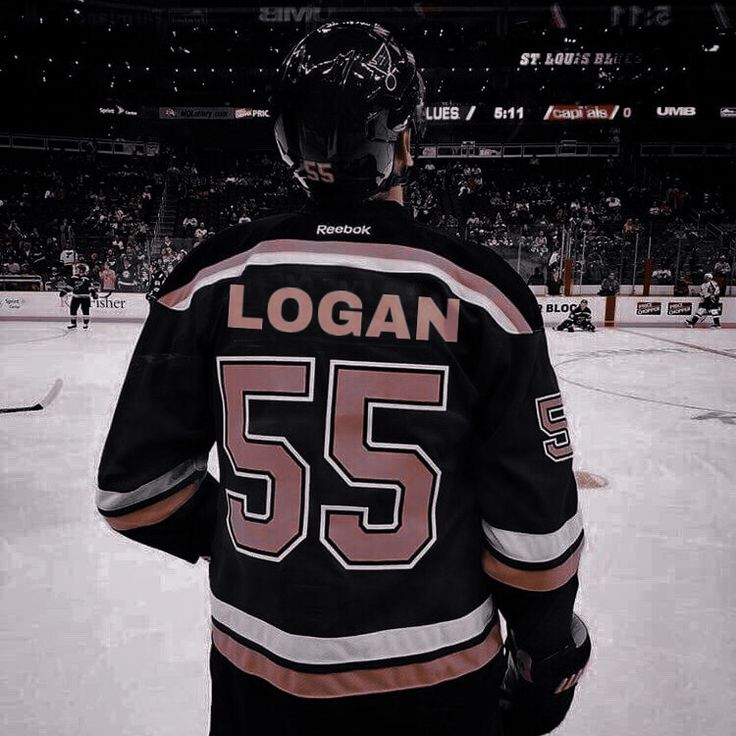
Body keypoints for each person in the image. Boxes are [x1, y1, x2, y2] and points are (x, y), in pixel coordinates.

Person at [97, 22, 589, 736]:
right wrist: (547, 650)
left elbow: (133, 491)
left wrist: (241, 533)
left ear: (285, 142)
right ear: (406, 142)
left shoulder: (210, 277)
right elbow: (534, 538)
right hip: (438, 672)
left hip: (256, 667)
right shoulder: (482, 295)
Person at [59, 262, 97, 329]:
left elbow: (90, 287)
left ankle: (85, 323)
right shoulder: (74, 278)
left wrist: (94, 293)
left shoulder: (87, 278)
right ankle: (73, 323)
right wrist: (64, 291)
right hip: (76, 297)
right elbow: (70, 287)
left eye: (77, 269)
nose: (76, 270)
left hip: (85, 297)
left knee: (85, 310)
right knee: (73, 309)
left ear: (81, 270)